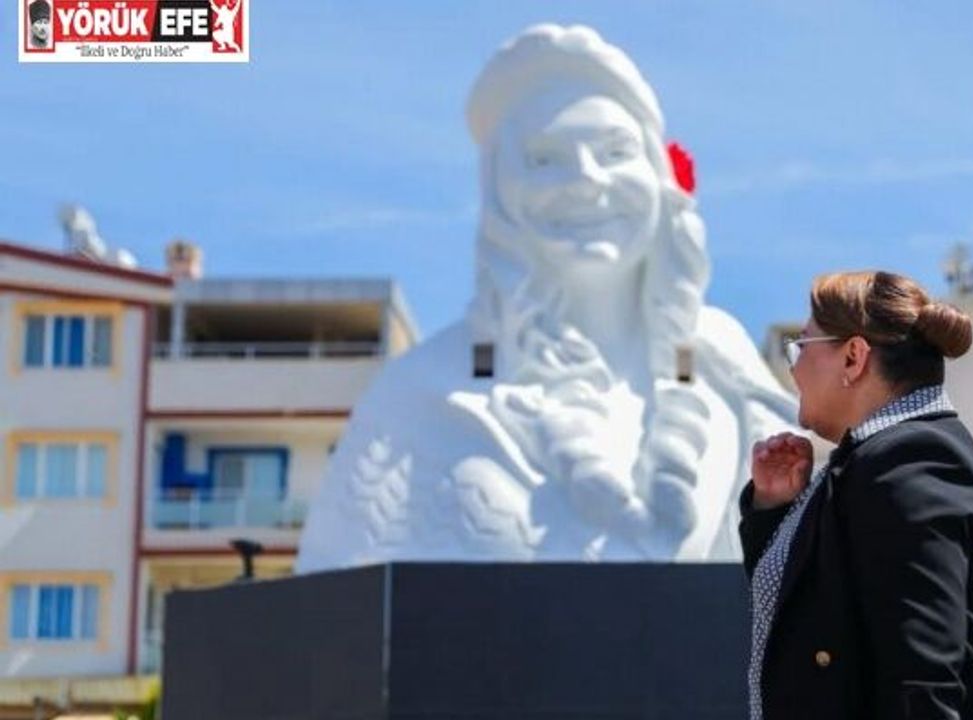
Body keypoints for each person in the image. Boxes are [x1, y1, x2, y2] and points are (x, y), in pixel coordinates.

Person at [295, 25, 796, 569]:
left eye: (615, 151)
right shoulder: (418, 398)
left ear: (657, 175)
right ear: (498, 192)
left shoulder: (726, 368)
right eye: (544, 159)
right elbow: (333, 600)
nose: (586, 179)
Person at [740, 270, 973, 719]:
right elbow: (807, 624)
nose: (794, 367)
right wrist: (776, 509)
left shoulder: (912, 459)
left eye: (803, 345)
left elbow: (921, 681)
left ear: (853, 358)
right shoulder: (869, 461)